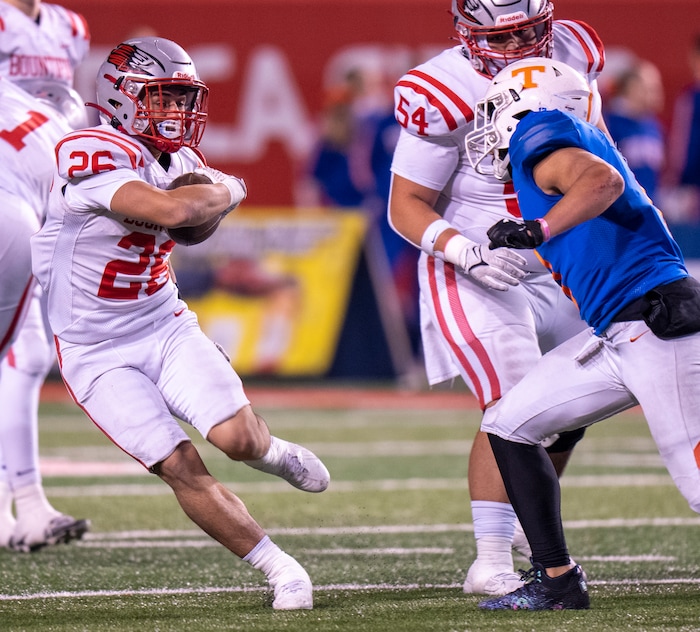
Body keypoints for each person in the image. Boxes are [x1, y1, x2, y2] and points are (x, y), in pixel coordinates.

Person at [30, 37, 330, 611]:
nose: (175, 113)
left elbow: (194, 228)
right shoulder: (87, 149)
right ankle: (279, 567)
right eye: (160, 99)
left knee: (239, 441)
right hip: (94, 351)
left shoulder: (182, 164)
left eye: (180, 99)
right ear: (120, 99)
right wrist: (232, 188)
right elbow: (176, 212)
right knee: (180, 464)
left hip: (163, 325)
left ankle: (272, 452)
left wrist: (213, 196)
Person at [464, 57, 700, 610]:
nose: (493, 123)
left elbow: (602, 180)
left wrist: (537, 229)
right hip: (620, 332)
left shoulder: (537, 132)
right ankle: (558, 580)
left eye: (497, 109)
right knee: (510, 423)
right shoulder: (567, 145)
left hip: (656, 325)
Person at [387, 0, 607, 595]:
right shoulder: (442, 89)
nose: (519, 50)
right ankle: (490, 560)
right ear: (466, 33)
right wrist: (466, 253)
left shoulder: (576, 51)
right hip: (475, 260)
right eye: (502, 38)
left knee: (569, 409)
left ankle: (523, 522)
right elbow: (405, 204)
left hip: (551, 254)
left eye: (528, 34)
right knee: (514, 407)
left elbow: (596, 149)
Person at [0, 0, 91, 552]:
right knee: (24, 349)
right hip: (10, 183)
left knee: (28, 352)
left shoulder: (69, 26)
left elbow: (66, 106)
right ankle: (27, 505)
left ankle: (25, 507)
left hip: (35, 183)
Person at [603, 59, 665, 202]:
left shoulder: (654, 126)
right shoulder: (609, 123)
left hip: (649, 204)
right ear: (632, 88)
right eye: (651, 88)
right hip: (619, 206)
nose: (657, 94)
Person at [664, 34, 700, 222]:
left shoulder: (692, 98)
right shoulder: (690, 97)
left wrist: (676, 183)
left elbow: (685, 149)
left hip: (691, 189)